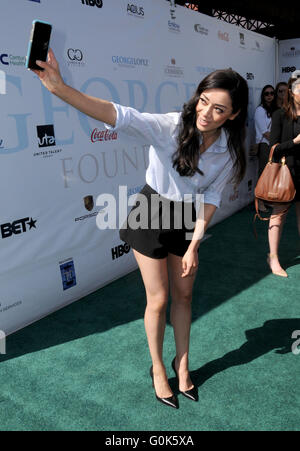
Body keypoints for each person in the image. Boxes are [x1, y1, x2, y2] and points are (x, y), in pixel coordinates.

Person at [33, 49, 249, 409]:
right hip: (150, 212)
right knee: (159, 299)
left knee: (184, 296)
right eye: (204, 101)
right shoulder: (170, 126)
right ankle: (159, 369)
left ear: (234, 115)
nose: (206, 114)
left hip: (184, 219)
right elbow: (117, 114)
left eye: (219, 109)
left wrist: (196, 243)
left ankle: (183, 367)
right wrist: (59, 89)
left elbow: (211, 195)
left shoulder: (227, 149)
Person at [267, 71, 300, 278]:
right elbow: (274, 148)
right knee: (278, 215)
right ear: (293, 92)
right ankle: (273, 258)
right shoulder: (280, 115)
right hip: (285, 173)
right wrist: (295, 143)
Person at [254, 85, 277, 176]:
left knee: (273, 173)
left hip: (274, 145)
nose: (269, 95)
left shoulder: (275, 110)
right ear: (263, 96)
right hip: (265, 145)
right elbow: (265, 133)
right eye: (266, 94)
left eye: (272, 93)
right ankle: (261, 191)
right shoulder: (260, 110)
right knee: (265, 173)